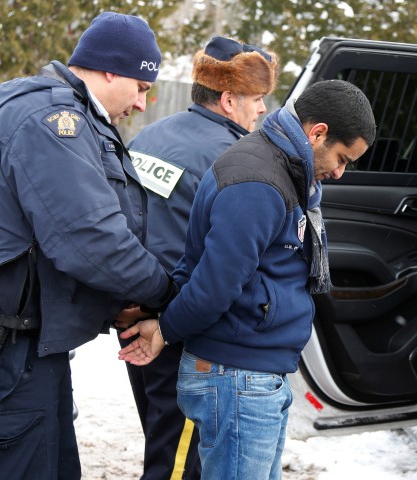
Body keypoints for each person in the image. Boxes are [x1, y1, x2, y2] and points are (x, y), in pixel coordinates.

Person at [0, 12, 177, 480]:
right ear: (110, 69)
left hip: (26, 345)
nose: (143, 103)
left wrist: (125, 302)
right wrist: (165, 296)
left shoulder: (71, 118)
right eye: (141, 87)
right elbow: (92, 240)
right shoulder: (53, 121)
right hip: (2, 348)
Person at [119, 79, 376, 479]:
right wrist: (167, 329)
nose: (340, 172)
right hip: (236, 379)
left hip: (251, 377)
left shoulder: (281, 169)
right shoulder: (259, 183)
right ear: (318, 132)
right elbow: (213, 284)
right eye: (342, 158)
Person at [117, 35, 278, 480]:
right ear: (228, 99)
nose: (262, 110)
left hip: (132, 317)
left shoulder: (150, 135)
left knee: (162, 439)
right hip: (181, 331)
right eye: (256, 99)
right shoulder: (233, 160)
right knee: (182, 463)